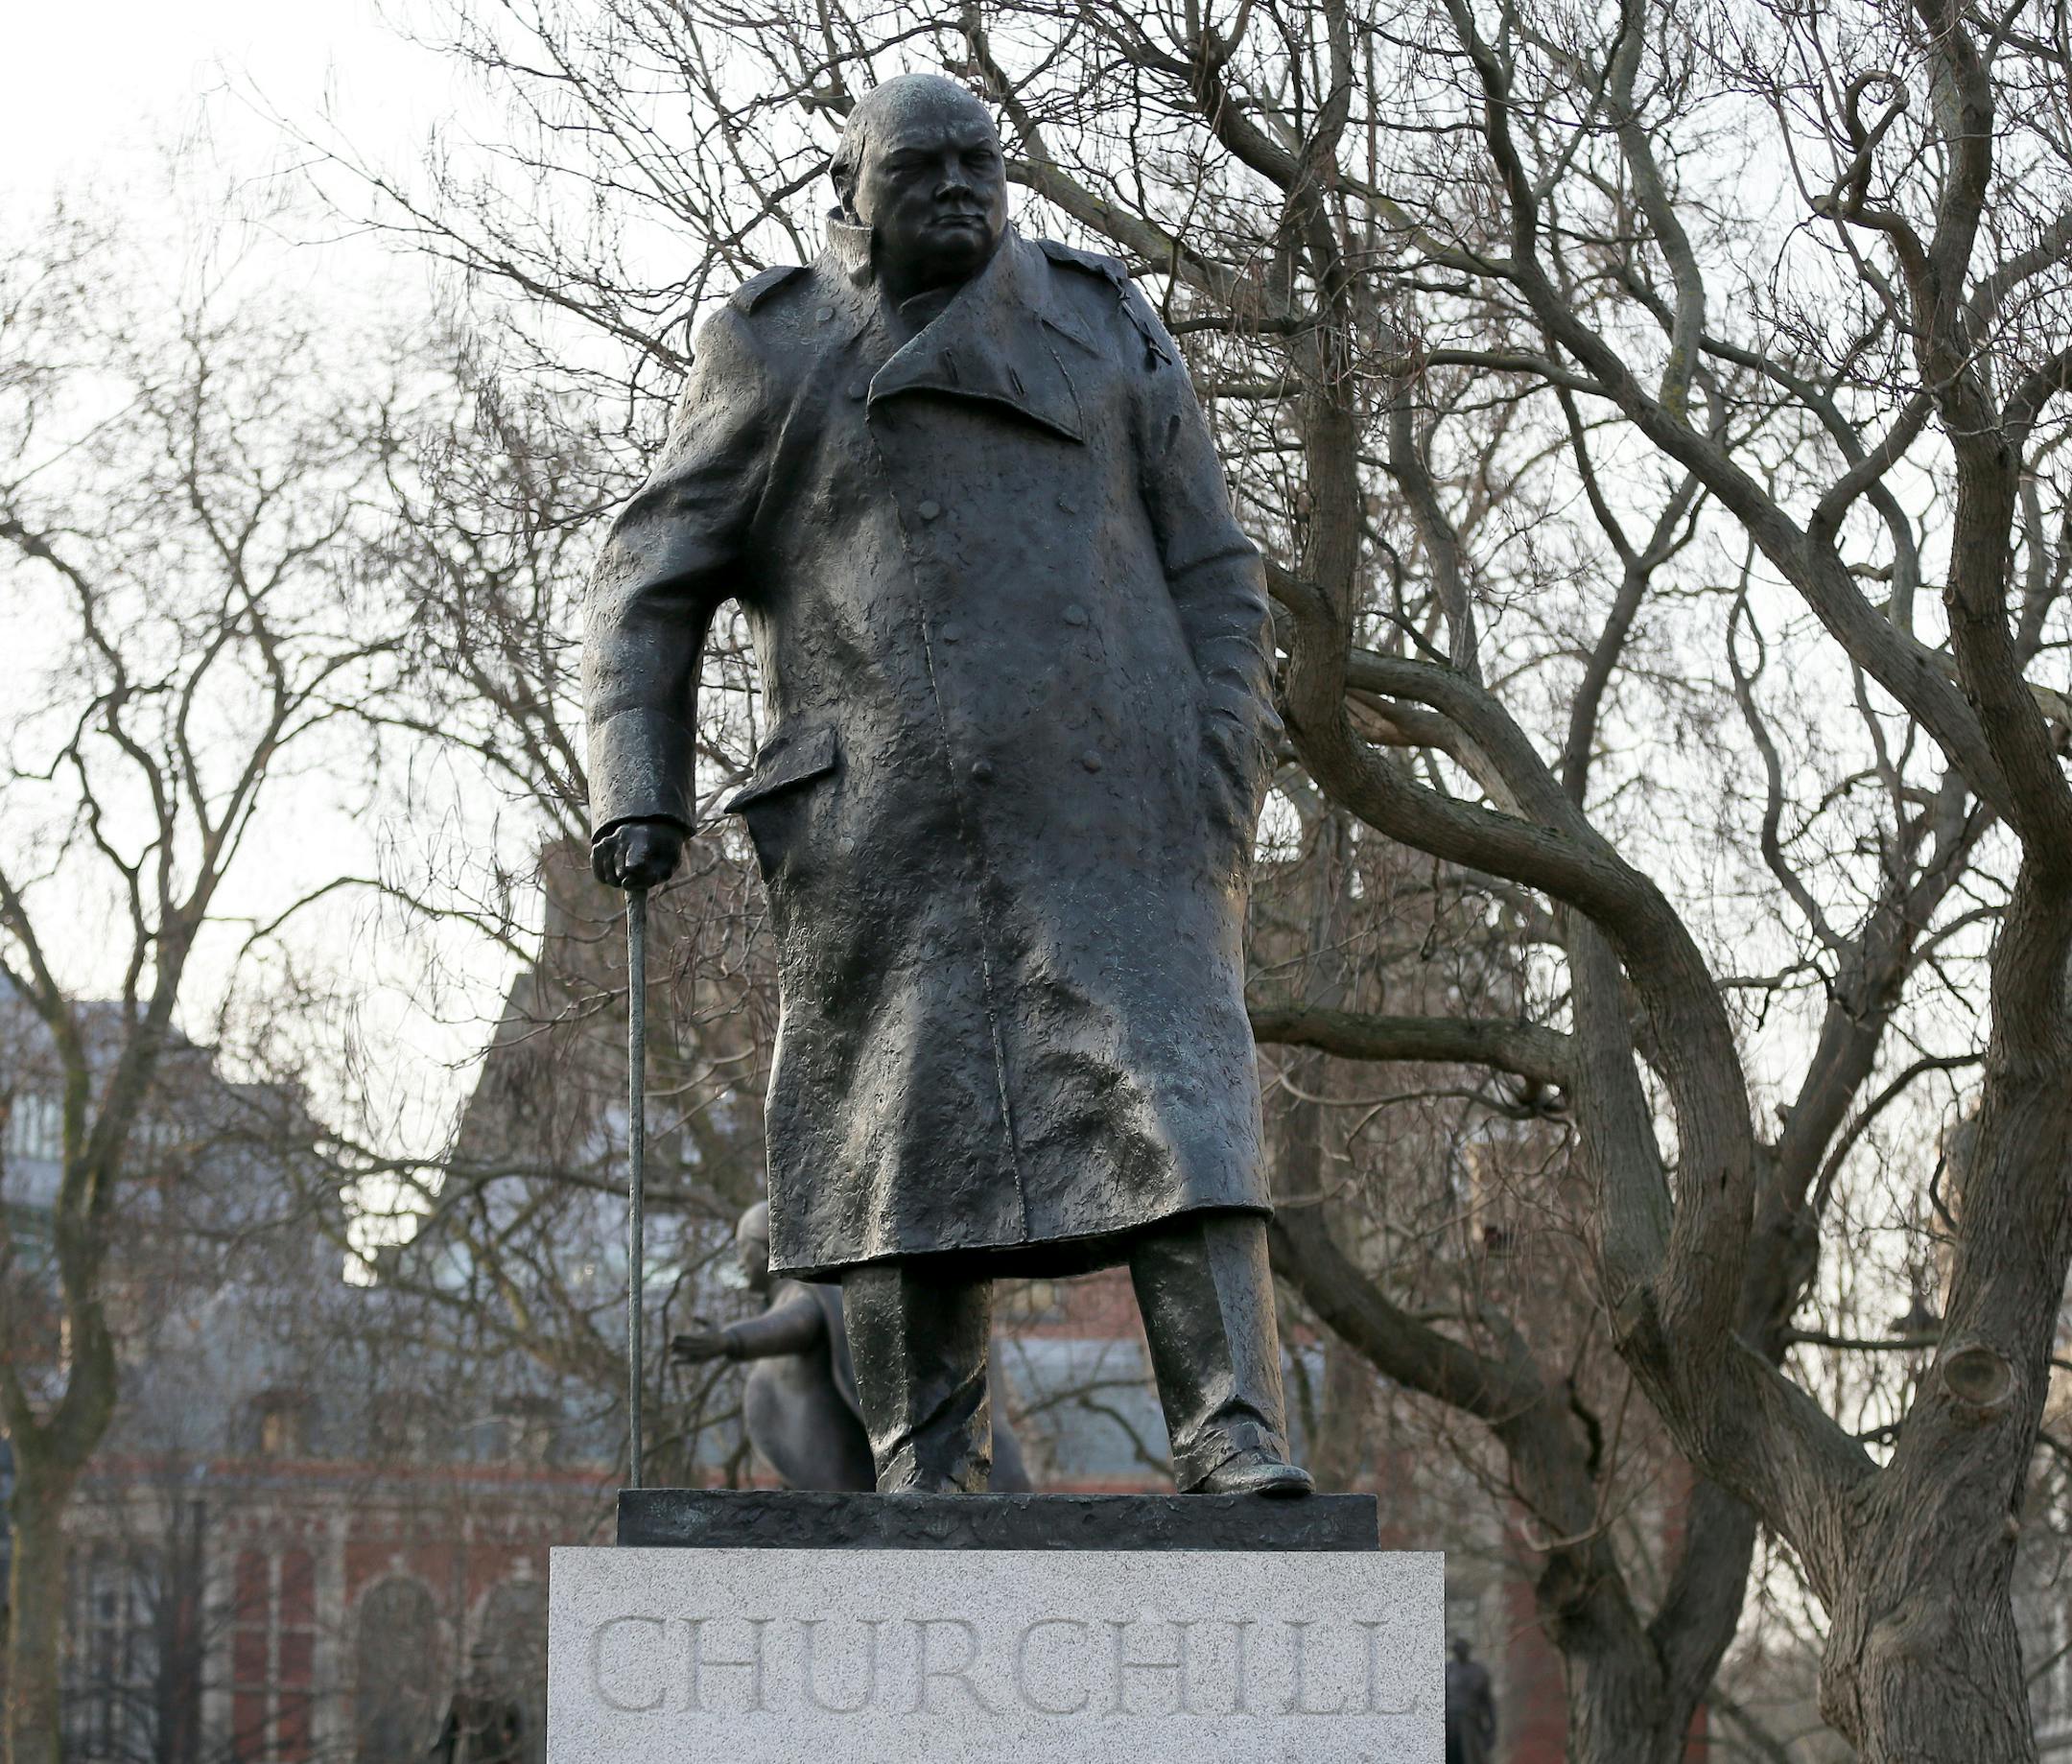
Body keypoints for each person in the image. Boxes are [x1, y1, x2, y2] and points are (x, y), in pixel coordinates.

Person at [585, 72, 1308, 1497]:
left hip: (1119, 804)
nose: (960, 187)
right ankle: (926, 1458)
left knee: (1182, 1101)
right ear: (849, 191)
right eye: (920, 167)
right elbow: (646, 577)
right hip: (882, 821)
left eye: (980, 162)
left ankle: (1233, 1430)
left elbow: (1217, 565)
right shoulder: (775, 352)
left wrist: (1223, 747)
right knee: (893, 1138)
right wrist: (639, 781)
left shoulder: (1101, 327)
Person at [671, 1201, 1030, 1492]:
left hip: (841, 1460)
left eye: (742, 1248)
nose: (739, 1261)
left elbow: (795, 1326)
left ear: (766, 1247)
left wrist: (729, 1340)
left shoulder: (810, 1290)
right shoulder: (807, 1291)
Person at [425, 1643, 524, 1764]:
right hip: (470, 1755)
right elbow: (451, 1727)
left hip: (498, 1756)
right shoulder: (463, 1691)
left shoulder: (502, 1691)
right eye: (479, 1659)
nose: (482, 1664)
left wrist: (511, 1744)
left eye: (485, 1659)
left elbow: (516, 1724)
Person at [1444, 1635, 1498, 1764]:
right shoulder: (1447, 1670)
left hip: (1470, 1722)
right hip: (1449, 1724)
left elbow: (1488, 1704)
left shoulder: (1478, 1672)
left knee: (1471, 1757)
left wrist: (1491, 1731)